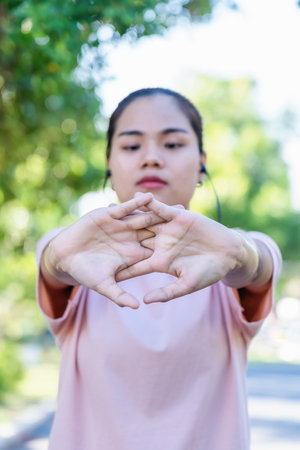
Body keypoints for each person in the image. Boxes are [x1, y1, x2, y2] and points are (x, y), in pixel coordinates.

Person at [36, 88, 281, 450]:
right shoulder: (75, 252)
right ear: (109, 162)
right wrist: (54, 257)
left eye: (172, 144)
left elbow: (257, 263)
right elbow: (54, 263)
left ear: (202, 162)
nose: (150, 158)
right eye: (132, 146)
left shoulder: (229, 254)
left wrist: (244, 255)